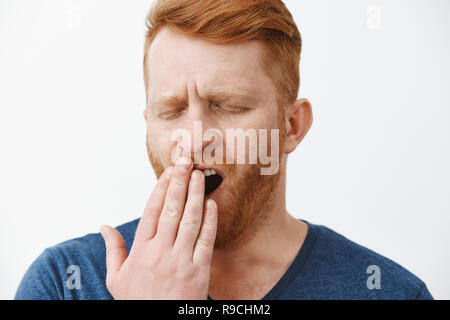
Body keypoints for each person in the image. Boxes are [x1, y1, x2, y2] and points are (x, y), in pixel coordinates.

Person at [15, 0, 432, 300]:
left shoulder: (387, 291)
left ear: (292, 126)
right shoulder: (62, 283)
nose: (194, 139)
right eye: (172, 110)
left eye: (228, 106)